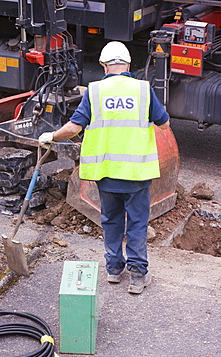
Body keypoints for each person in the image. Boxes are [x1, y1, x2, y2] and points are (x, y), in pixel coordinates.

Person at [39, 41, 170, 294]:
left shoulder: (95, 91)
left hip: (106, 173)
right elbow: (164, 125)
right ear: (129, 65)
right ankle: (137, 277)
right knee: (136, 224)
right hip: (136, 175)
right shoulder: (143, 90)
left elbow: (74, 128)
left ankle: (113, 270)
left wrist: (51, 136)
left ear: (103, 65)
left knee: (110, 221)